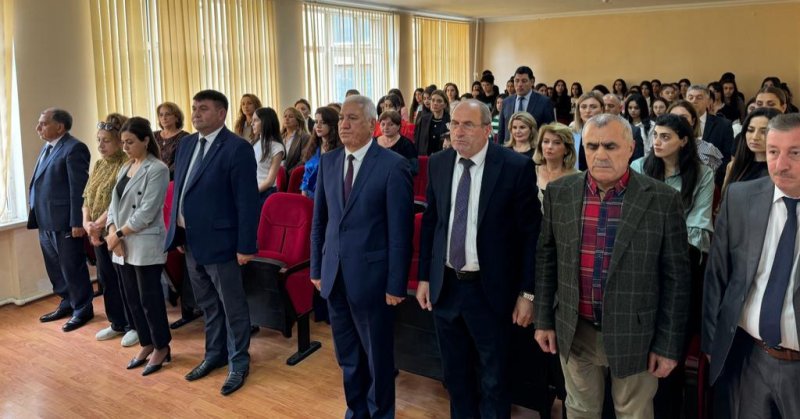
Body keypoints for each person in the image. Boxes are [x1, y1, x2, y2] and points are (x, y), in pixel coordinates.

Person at [535, 113, 691, 419]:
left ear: (631, 148)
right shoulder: (560, 192)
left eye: (610, 146)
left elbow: (677, 280)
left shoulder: (662, 200)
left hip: (637, 334)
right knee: (579, 411)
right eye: (592, 146)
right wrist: (543, 320)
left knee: (634, 413)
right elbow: (546, 259)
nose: (600, 155)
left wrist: (668, 345)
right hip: (574, 328)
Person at [417, 99, 540, 418]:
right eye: (454, 124)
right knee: (455, 378)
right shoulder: (439, 162)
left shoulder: (514, 167)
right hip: (446, 287)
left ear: (488, 130)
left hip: (491, 291)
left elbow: (531, 236)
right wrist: (425, 277)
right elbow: (432, 223)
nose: (458, 131)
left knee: (494, 379)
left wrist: (527, 293)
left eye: (468, 125)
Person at [310, 95, 413, 419]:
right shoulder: (329, 162)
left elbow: (400, 233)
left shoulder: (393, 166)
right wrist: (317, 268)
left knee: (377, 358)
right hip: (334, 275)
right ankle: (356, 410)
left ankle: (380, 413)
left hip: (372, 280)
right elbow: (320, 222)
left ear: (371, 124)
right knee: (348, 356)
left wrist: (395, 284)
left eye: (352, 118)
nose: (343, 124)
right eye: (342, 118)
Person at [703, 113, 800, 419]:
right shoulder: (741, 197)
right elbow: (717, 275)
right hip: (749, 357)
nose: (781, 165)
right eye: (773, 152)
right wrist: (712, 343)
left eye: (795, 153)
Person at [164, 89, 259, 396]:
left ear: (221, 113)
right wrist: (178, 232)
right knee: (207, 304)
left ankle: (238, 361)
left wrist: (246, 246)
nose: (195, 113)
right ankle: (214, 354)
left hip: (223, 242)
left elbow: (247, 202)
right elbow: (181, 188)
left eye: (203, 108)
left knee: (232, 306)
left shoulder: (237, 148)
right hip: (191, 240)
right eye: (194, 108)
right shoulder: (187, 143)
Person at [630, 114, 715, 417]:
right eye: (655, 135)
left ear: (683, 141)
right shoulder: (639, 167)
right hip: (642, 265)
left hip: (682, 265)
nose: (657, 142)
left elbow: (699, 226)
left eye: (665, 137)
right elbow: (630, 219)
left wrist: (663, 245)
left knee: (670, 352)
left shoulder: (701, 173)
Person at [105, 117, 171, 376]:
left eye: (130, 142)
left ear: (145, 140)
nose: (125, 147)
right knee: (132, 299)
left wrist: (118, 234)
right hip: (121, 242)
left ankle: (161, 346)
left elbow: (147, 212)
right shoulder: (125, 167)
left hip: (143, 242)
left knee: (149, 300)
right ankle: (146, 343)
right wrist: (112, 232)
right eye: (123, 142)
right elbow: (113, 205)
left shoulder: (157, 169)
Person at [29, 108, 94, 332]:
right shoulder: (47, 147)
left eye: (43, 123)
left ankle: (82, 309)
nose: (38, 128)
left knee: (72, 267)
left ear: (60, 127)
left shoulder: (74, 148)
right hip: (45, 219)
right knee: (55, 268)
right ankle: (67, 302)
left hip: (65, 221)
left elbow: (79, 189)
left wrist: (77, 221)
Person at [82, 114, 138, 346]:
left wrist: (98, 225)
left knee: (125, 280)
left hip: (117, 232)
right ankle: (117, 322)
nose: (100, 145)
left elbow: (117, 202)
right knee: (106, 279)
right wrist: (87, 223)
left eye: (106, 141)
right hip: (97, 233)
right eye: (99, 140)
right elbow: (87, 197)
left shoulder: (126, 165)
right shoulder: (99, 164)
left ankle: (134, 325)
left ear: (118, 141)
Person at [721, 107, 783, 196]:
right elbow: (724, 199)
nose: (755, 137)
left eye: (764, 132)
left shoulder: (783, 169)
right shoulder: (734, 166)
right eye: (750, 130)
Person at [685, 85, 735, 184]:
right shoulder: (677, 123)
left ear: (708, 102)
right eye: (690, 98)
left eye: (699, 97)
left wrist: (711, 177)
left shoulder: (723, 125)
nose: (694, 101)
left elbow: (727, 158)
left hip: (712, 180)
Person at [497, 66, 555, 143]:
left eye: (524, 81)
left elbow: (550, 130)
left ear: (532, 81)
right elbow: (501, 130)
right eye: (516, 81)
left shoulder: (544, 102)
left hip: (533, 147)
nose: (519, 84)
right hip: (509, 147)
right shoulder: (506, 102)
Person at [533, 122, 579, 211]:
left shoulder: (578, 177)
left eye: (557, 143)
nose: (549, 147)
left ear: (567, 149)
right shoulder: (531, 172)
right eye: (546, 141)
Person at [668, 100, 723, 172]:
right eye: (673, 117)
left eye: (683, 118)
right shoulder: (659, 146)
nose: (677, 122)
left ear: (693, 121)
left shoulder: (707, 149)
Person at [300, 106, 342, 200]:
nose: (318, 126)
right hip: (311, 196)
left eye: (322, 122)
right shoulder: (313, 147)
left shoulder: (340, 149)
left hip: (330, 197)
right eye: (316, 122)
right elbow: (306, 177)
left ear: (332, 125)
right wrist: (304, 200)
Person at [251, 107, 285, 209]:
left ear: (266, 122)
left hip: (265, 194)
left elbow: (270, 181)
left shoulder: (277, 147)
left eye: (256, 120)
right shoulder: (254, 143)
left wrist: (250, 193)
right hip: (251, 190)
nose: (252, 124)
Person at [154, 102, 189, 179]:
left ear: (177, 117)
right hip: (152, 177)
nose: (164, 118)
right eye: (161, 115)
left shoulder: (185, 137)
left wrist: (163, 176)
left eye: (168, 114)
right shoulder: (153, 135)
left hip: (173, 179)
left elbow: (181, 163)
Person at [377, 110, 418, 175]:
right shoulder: (373, 142)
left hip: (397, 178)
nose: (386, 127)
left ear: (398, 126)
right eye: (383, 124)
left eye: (390, 124)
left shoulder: (406, 144)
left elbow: (414, 168)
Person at [573, 91, 604, 171]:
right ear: (578, 111)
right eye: (583, 107)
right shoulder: (571, 133)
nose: (588, 111)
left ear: (602, 109)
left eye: (593, 107)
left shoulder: (611, 132)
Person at [414, 89, 450, 156]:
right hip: (425, 158)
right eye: (433, 100)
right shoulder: (423, 119)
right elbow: (417, 141)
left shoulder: (450, 121)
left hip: (443, 157)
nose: (435, 103)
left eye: (439, 101)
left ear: (445, 104)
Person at [281, 106, 311, 175]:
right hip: (277, 175)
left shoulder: (304, 137)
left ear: (298, 121)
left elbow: (303, 160)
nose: (287, 119)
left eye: (291, 117)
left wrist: (288, 173)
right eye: (285, 116)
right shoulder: (279, 137)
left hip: (292, 175)